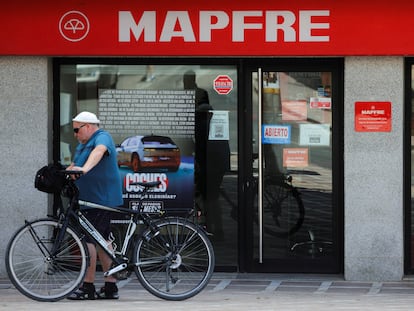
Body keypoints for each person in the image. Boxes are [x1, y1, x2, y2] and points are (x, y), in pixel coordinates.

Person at [66, 111, 123, 300]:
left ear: (88, 126)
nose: (74, 134)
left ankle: (88, 286)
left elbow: (98, 152)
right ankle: (110, 286)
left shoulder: (102, 137)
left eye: (76, 130)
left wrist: (84, 169)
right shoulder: (81, 145)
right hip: (87, 199)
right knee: (101, 241)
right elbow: (74, 166)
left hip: (100, 199)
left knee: (89, 241)